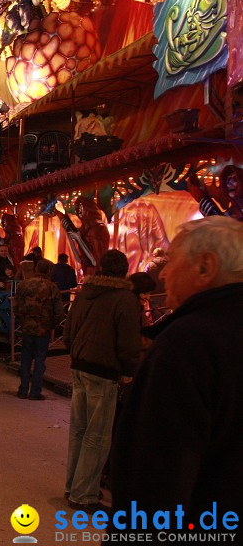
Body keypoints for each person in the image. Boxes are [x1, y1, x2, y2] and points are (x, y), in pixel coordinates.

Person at [110, 217, 243, 523]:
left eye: (172, 262)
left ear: (205, 267)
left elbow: (155, 476)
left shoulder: (188, 343)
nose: (166, 274)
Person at [63, 249, 141, 512]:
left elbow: (68, 328)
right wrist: (128, 369)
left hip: (80, 365)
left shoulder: (85, 293)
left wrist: (75, 351)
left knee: (78, 431)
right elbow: (129, 341)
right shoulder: (125, 299)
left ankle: (73, 486)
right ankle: (84, 494)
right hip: (103, 371)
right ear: (124, 270)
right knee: (97, 436)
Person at [13, 259, 63, 400]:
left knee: (26, 359)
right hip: (44, 329)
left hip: (27, 328)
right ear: (48, 271)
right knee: (40, 360)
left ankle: (23, 390)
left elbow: (16, 306)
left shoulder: (24, 284)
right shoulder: (51, 287)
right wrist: (52, 325)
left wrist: (22, 321)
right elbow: (59, 311)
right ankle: (35, 392)